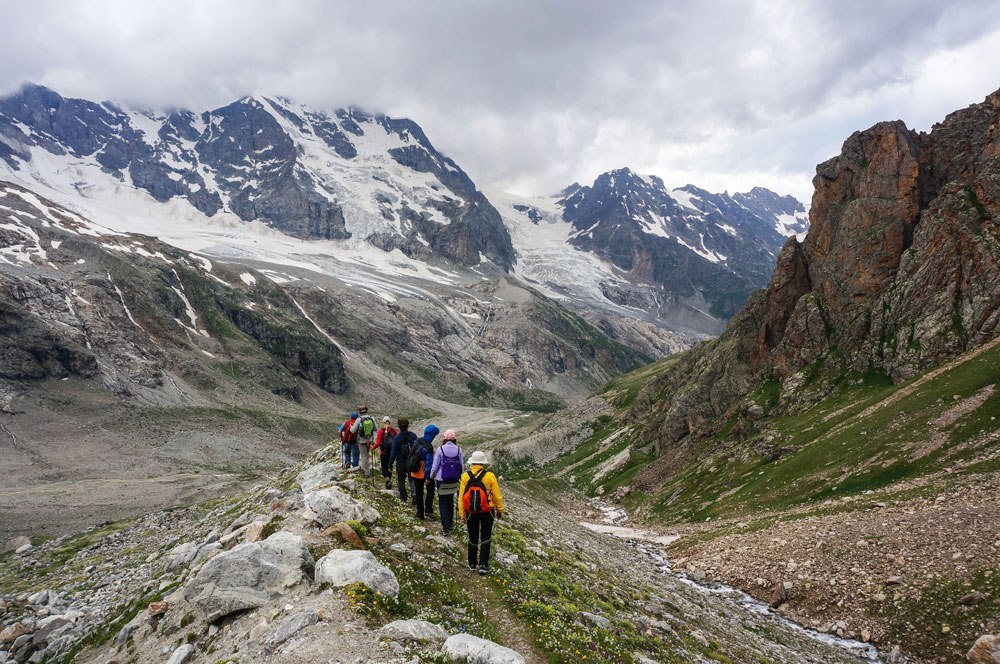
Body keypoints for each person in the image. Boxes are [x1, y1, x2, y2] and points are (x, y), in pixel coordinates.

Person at [459, 450, 504, 574]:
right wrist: (499, 510)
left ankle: (472, 563)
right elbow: (496, 495)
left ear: (472, 462)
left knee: (472, 537)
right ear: (483, 463)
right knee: (486, 537)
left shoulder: (465, 476)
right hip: (487, 511)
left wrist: (462, 514)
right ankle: (483, 565)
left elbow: (461, 496)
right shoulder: (489, 476)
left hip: (470, 512)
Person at [427, 429, 464, 535]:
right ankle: (451, 523)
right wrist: (461, 478)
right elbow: (461, 466)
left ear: (445, 439)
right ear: (454, 439)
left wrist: (431, 476)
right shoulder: (459, 450)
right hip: (454, 479)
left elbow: (435, 466)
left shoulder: (440, 449)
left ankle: (445, 528)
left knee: (443, 502)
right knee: (450, 500)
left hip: (441, 480)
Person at [409, 425, 438, 519]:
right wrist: (428, 477)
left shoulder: (417, 441)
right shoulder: (429, 447)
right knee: (431, 489)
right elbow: (429, 463)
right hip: (423, 472)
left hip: (415, 470)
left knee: (419, 492)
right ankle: (428, 510)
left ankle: (420, 513)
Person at [388, 417, 416, 503]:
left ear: (399, 426)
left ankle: (403, 496)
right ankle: (414, 495)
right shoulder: (413, 436)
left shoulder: (397, 438)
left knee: (401, 479)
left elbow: (393, 453)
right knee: (412, 479)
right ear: (408, 425)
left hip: (401, 462)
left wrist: (390, 464)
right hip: (411, 461)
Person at [350, 406, 377, 478]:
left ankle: (367, 472)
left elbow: (353, 431)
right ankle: (366, 468)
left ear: (360, 412)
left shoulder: (359, 420)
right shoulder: (372, 418)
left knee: (364, 455)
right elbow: (375, 428)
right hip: (370, 439)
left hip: (361, 440)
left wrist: (351, 426)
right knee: (366, 454)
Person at [374, 416, 397, 490]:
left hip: (384, 452)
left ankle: (387, 481)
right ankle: (389, 480)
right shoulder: (394, 430)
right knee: (390, 466)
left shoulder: (381, 431)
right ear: (389, 422)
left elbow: (377, 443)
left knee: (384, 467)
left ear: (383, 422)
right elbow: (396, 441)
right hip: (392, 453)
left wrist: (372, 447)